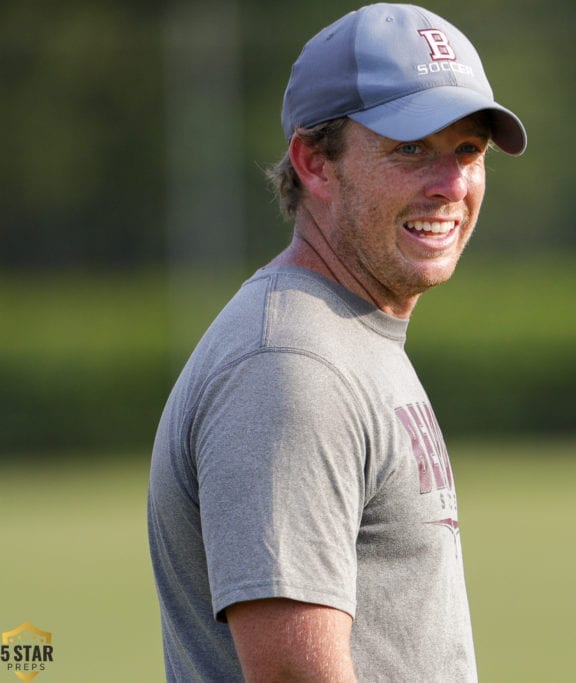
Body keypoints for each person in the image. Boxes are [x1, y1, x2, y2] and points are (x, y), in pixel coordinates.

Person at [147, 4, 526, 681]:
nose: (450, 185)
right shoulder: (291, 367)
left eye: (468, 150)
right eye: (410, 148)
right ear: (315, 163)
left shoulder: (348, 332)